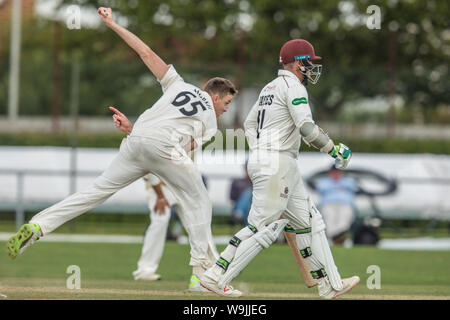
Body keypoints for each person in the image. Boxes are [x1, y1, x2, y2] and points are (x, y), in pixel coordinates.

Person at [6, 7, 239, 295]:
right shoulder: (211, 123)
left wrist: (112, 24)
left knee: (93, 193)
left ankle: (38, 226)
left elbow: (145, 52)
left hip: (137, 139)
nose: (225, 109)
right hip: (162, 148)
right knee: (200, 202)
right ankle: (202, 276)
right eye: (226, 103)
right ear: (214, 96)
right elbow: (179, 150)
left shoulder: (178, 84)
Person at [200, 39, 360, 299]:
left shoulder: (269, 88)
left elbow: (250, 124)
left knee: (309, 221)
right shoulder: (294, 87)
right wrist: (333, 149)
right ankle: (215, 275)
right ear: (298, 64)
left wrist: (261, 147)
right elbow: (306, 128)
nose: (311, 69)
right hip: (277, 164)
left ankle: (329, 284)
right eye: (309, 63)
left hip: (279, 162)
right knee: (261, 227)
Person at [133, 173, 211, 292]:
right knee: (160, 220)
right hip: (159, 186)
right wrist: (157, 190)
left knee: (197, 225)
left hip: (180, 188)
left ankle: (212, 267)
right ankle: (145, 270)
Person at [316, 165, 357, 245]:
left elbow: (352, 186)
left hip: (345, 204)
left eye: (338, 172)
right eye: (334, 172)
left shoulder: (348, 181)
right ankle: (336, 237)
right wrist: (338, 185)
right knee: (329, 217)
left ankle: (337, 236)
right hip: (328, 204)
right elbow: (321, 188)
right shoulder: (324, 182)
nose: (336, 174)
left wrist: (335, 185)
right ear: (330, 173)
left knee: (345, 217)